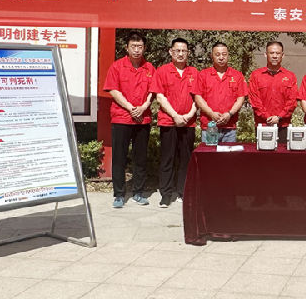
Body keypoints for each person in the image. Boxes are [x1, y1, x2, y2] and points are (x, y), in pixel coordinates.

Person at [103, 31, 155, 209]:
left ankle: (138, 192)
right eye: (133, 46)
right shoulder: (117, 66)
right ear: (127, 48)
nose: (137, 50)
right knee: (119, 158)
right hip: (121, 117)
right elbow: (113, 90)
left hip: (143, 118)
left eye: (140, 46)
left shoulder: (150, 68)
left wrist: (144, 106)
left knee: (140, 157)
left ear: (144, 48)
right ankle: (119, 194)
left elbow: (153, 91)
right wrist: (130, 108)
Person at [150, 37, 198, 207]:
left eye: (184, 51)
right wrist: (175, 115)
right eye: (177, 50)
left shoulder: (194, 72)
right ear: (171, 52)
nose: (180, 54)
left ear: (188, 53)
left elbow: (198, 97)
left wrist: (189, 114)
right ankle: (166, 194)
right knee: (167, 159)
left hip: (188, 123)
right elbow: (160, 97)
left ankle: (183, 192)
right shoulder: (162, 71)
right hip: (168, 122)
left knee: (185, 159)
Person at [194, 42, 248, 144]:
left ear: (228, 55)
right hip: (209, 126)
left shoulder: (237, 75)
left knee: (228, 154)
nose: (221, 58)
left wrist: (229, 114)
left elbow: (241, 98)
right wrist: (211, 113)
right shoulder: (203, 75)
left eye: (224, 54)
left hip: (230, 128)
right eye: (217, 54)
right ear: (212, 56)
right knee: (209, 154)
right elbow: (198, 97)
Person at [248, 41, 299, 143]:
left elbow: (292, 100)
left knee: (282, 153)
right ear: (265, 54)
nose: (275, 56)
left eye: (278, 53)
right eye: (271, 53)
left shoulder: (290, 76)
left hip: (283, 125)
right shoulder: (256, 75)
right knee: (263, 152)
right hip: (263, 125)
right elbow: (254, 100)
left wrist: (279, 117)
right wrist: (267, 116)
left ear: (282, 55)